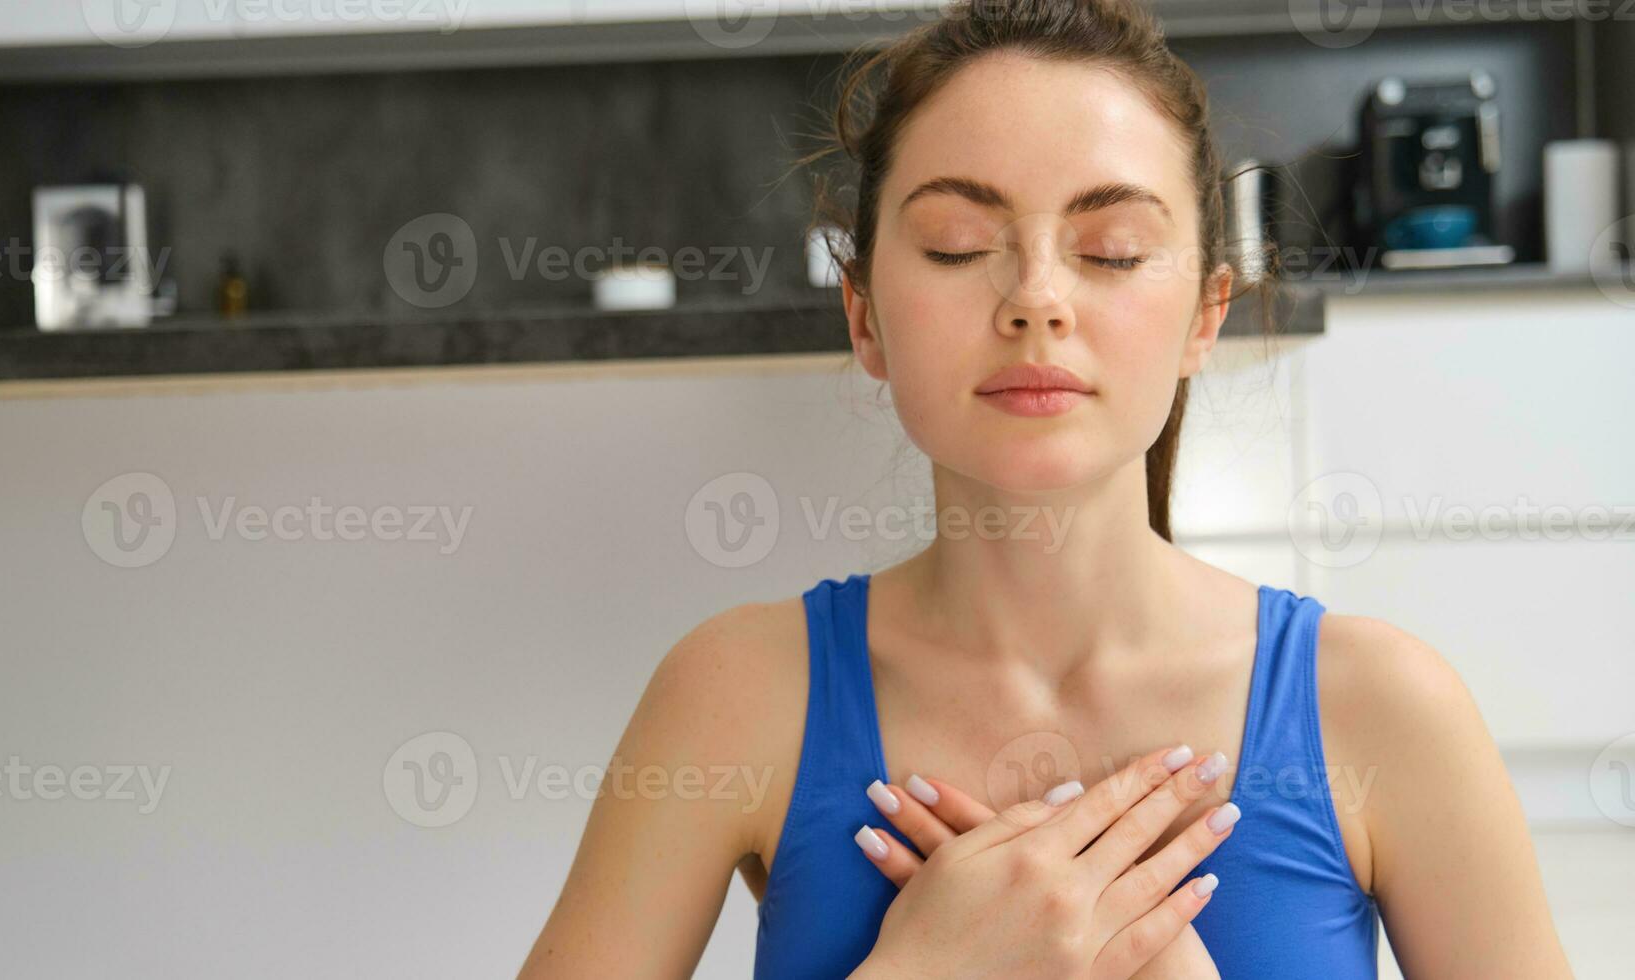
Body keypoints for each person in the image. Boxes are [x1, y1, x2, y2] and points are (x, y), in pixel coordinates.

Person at [520, 1, 1573, 975]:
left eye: (1110, 252)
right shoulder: (735, 694)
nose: (1035, 300)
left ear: (1204, 315)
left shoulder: (1383, 708)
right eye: (958, 245)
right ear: (864, 315)